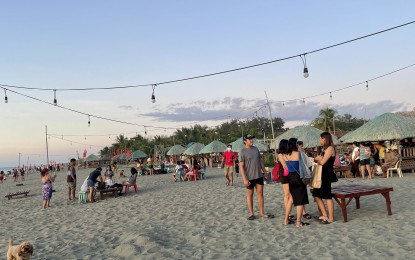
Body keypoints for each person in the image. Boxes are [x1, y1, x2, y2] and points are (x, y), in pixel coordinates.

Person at [239, 134, 274, 220]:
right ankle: (251, 213)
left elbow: (260, 161)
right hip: (249, 177)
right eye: (249, 139)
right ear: (245, 141)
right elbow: (241, 166)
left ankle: (262, 212)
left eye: (252, 139)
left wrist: (264, 171)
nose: (251, 141)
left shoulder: (256, 149)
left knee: (260, 193)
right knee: (250, 194)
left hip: (258, 175)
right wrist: (244, 179)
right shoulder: (242, 152)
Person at [280, 138, 310, 227]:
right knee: (300, 201)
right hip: (299, 177)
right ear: (296, 145)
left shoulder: (285, 155)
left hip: (290, 177)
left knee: (291, 199)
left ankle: (285, 220)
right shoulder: (299, 154)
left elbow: (285, 167)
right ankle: (298, 222)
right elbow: (308, 164)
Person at [312, 132, 336, 224]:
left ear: (324, 139)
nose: (320, 140)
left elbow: (322, 162)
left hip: (326, 174)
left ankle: (331, 217)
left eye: (321, 139)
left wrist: (317, 159)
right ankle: (324, 214)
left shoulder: (330, 148)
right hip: (321, 174)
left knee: (327, 196)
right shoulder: (323, 149)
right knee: (316, 194)